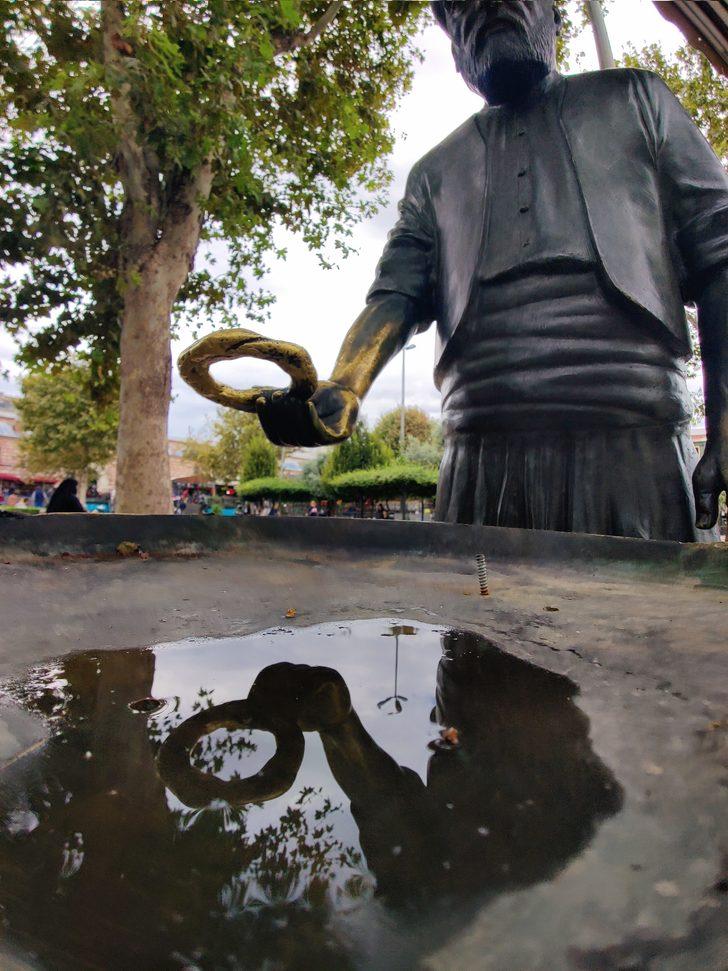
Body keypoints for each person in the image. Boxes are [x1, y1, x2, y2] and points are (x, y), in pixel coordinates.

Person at [254, 1, 728, 543]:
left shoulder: (638, 100)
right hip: (478, 466)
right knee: (473, 622)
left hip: (634, 449)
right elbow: (395, 295)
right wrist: (345, 385)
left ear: (555, 16)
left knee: (649, 624)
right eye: (462, 6)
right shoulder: (434, 173)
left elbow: (720, 254)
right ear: (455, 51)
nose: (488, 5)